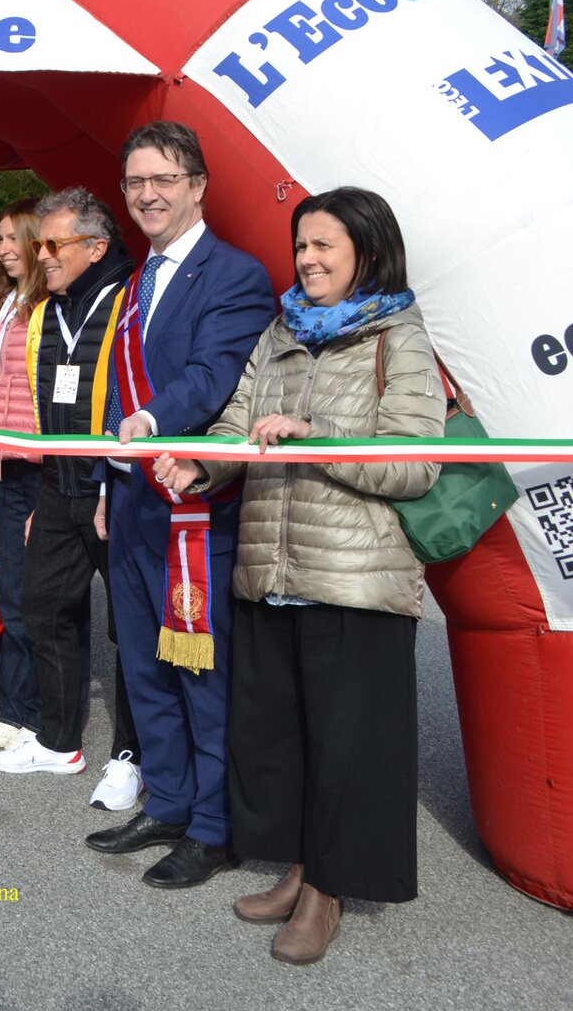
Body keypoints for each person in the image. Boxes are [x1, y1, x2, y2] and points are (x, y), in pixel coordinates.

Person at [152, 186, 442, 964]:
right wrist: (202, 466)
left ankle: (329, 891)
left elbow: (416, 464)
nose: (307, 260)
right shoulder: (281, 330)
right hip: (270, 569)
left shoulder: (400, 337)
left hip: (355, 579)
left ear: (368, 253)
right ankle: (304, 867)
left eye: (323, 247)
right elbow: (238, 423)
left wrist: (314, 435)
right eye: (301, 246)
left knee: (349, 747)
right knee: (284, 737)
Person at [83, 121, 275, 888]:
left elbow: (213, 374)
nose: (148, 194)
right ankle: (167, 801)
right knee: (144, 670)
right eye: (135, 182)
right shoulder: (136, 282)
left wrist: (154, 417)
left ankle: (214, 827)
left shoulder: (236, 275)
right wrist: (107, 482)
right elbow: (114, 392)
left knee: (202, 676)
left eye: (163, 178)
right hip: (133, 504)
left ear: (198, 185)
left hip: (195, 507)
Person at [0, 188, 143, 813]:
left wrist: (108, 480)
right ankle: (58, 741)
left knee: (131, 628)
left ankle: (131, 755)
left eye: (54, 244)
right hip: (57, 485)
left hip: (116, 488)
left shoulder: (131, 300)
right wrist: (42, 495)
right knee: (42, 605)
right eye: (40, 243)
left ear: (95, 247)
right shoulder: (48, 310)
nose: (42, 254)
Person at [0, 199, 50, 757]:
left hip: (38, 464)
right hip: (2, 461)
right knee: (11, 593)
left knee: (36, 595)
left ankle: (37, 714)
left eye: (11, 238)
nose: (2, 249)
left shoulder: (49, 305)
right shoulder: (2, 302)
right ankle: (16, 708)